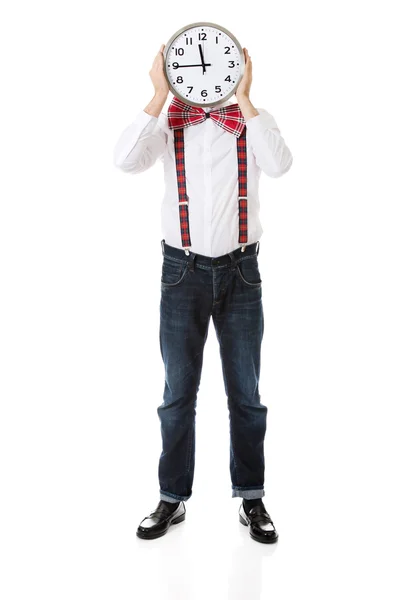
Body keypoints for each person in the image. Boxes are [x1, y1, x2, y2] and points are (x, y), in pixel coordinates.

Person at [113, 43, 293, 543]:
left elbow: (279, 166)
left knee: (246, 396)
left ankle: (251, 498)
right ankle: (172, 499)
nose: (205, 74)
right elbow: (125, 161)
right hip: (181, 273)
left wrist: (247, 99)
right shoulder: (169, 122)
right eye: (191, 66)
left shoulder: (253, 120)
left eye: (218, 65)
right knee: (177, 396)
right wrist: (156, 97)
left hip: (242, 274)